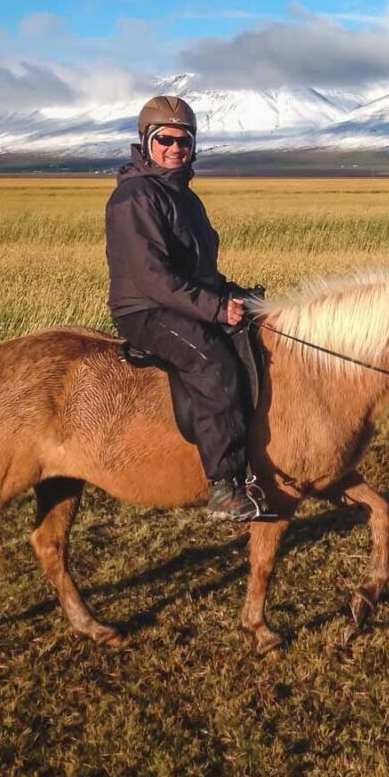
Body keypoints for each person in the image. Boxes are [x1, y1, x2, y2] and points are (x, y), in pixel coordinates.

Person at [104, 95, 274, 522]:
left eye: (184, 140)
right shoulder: (136, 198)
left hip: (185, 301)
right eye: (165, 139)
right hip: (146, 309)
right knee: (211, 363)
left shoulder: (184, 196)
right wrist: (215, 309)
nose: (175, 148)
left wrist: (234, 295)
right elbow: (152, 278)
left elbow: (199, 269)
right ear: (147, 142)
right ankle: (224, 485)